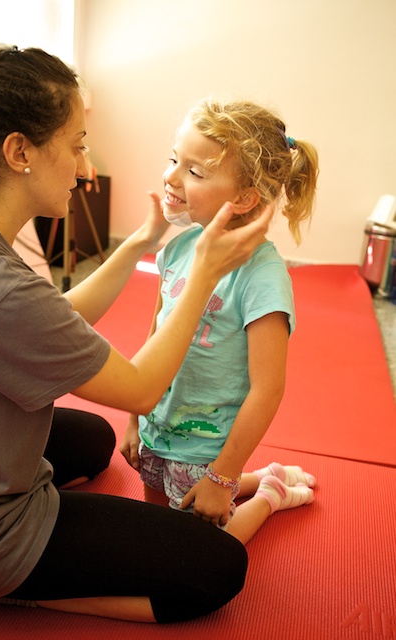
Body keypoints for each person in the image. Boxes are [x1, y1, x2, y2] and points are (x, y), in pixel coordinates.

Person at [0, 47, 277, 624]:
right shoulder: (0, 286)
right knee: (215, 567)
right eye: (78, 144)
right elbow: (138, 388)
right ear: (19, 152)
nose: (86, 166)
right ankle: (7, 586)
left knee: (92, 439)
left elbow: (50, 319)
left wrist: (140, 242)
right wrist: (205, 271)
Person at [121, 97, 319, 544]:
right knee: (156, 536)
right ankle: (265, 476)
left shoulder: (263, 277)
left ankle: (268, 494)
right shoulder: (177, 247)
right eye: (174, 159)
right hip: (156, 431)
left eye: (194, 171)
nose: (171, 176)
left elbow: (268, 389)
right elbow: (154, 336)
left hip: (207, 453)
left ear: (245, 198)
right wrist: (133, 419)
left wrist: (223, 476)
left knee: (193, 557)